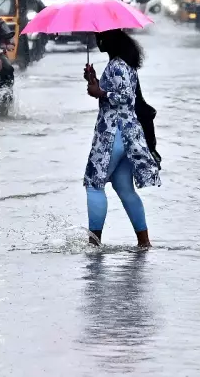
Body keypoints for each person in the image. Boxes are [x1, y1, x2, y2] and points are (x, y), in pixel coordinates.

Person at [83, 29, 161, 248]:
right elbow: (119, 91)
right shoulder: (124, 64)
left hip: (112, 133)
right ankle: (144, 243)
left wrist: (100, 92)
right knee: (124, 188)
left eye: (100, 37)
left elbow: (126, 96)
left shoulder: (117, 65)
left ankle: (93, 244)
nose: (97, 41)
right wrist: (94, 81)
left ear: (108, 40)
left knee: (94, 184)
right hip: (128, 133)